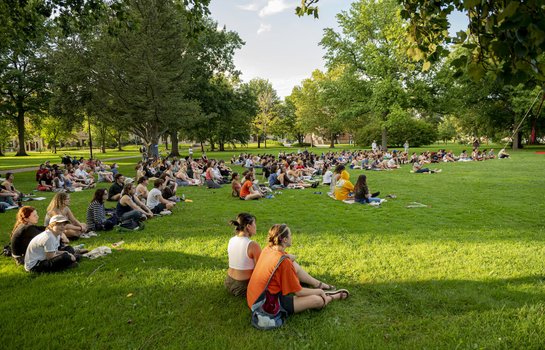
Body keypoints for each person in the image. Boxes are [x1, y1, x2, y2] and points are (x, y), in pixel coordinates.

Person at [246, 224, 349, 317]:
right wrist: (319, 292)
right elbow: (299, 292)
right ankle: (329, 296)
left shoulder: (268, 248)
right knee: (317, 300)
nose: (292, 237)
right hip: (264, 304)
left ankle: (318, 284)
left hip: (253, 297)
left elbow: (281, 259)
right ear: (285, 240)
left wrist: (290, 257)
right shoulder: (284, 262)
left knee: (292, 263)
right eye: (290, 235)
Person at [225, 213, 261, 296]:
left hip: (229, 282)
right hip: (243, 286)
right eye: (254, 224)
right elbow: (260, 269)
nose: (256, 226)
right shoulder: (252, 245)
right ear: (248, 226)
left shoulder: (231, 240)